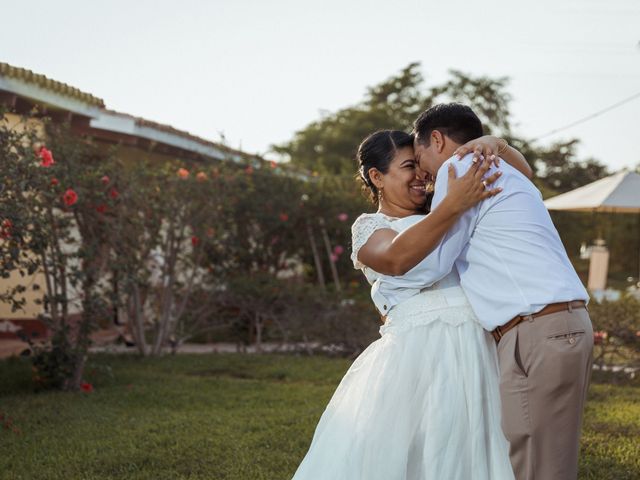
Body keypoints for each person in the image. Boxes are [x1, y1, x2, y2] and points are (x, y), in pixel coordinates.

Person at [291, 129, 531, 480]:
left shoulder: (449, 207)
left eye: (421, 164)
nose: (421, 175)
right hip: (417, 354)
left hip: (478, 344)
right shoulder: (372, 226)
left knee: (479, 444)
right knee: (418, 448)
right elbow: (396, 258)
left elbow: (522, 178)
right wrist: (453, 205)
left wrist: (497, 143)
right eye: (408, 166)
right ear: (377, 177)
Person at [373, 103, 593, 480]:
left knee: (540, 465)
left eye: (419, 155)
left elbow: (439, 261)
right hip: (549, 326)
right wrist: (501, 146)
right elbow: (524, 172)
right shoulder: (507, 171)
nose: (424, 173)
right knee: (530, 457)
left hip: (538, 328)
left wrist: (385, 287)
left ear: (437, 140)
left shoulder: (457, 170)